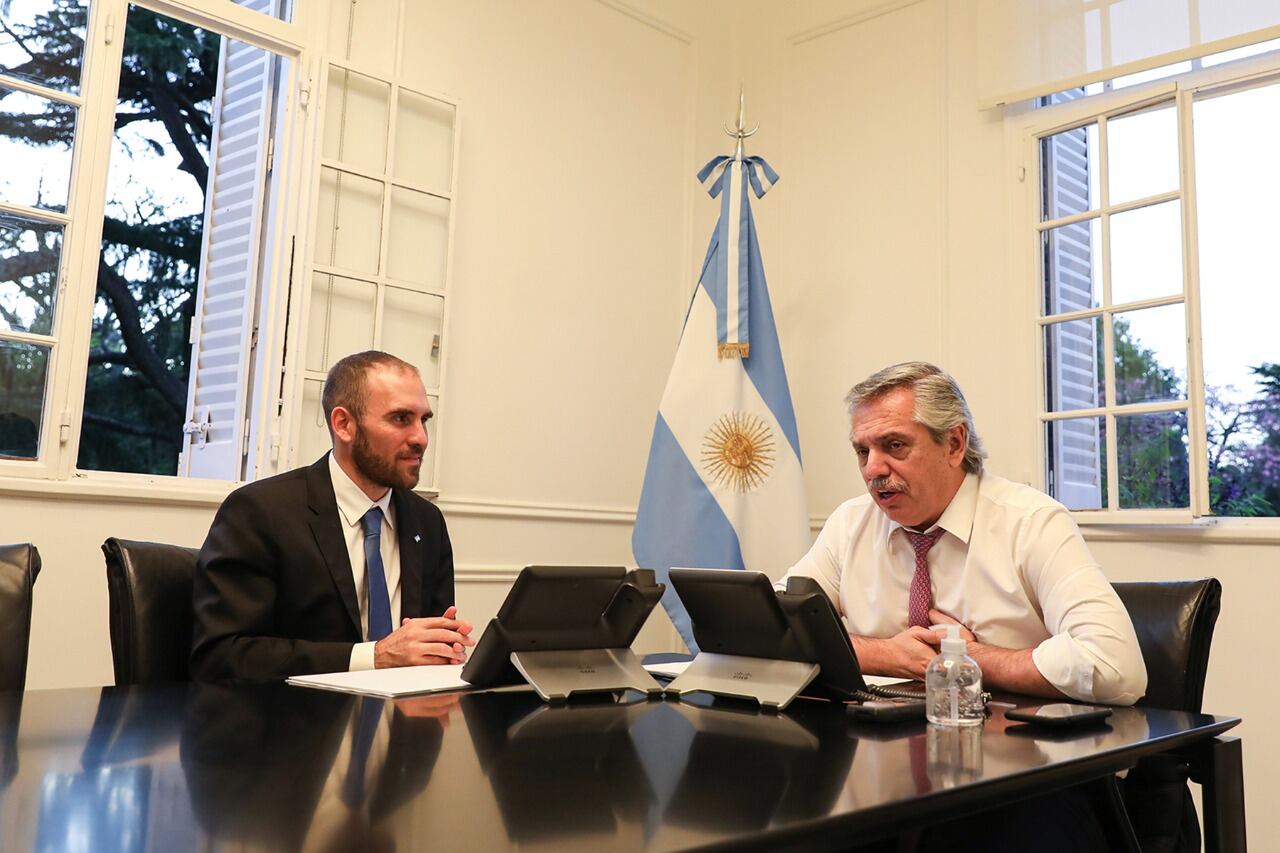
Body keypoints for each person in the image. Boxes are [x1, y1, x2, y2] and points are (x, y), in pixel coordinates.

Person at [780, 361, 1146, 704]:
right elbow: (770, 628)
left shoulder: (1031, 522)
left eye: (894, 445)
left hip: (1013, 749)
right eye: (862, 450)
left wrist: (969, 659)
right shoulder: (851, 522)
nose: (873, 468)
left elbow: (1115, 667)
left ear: (954, 444)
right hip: (881, 742)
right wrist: (886, 655)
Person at [191, 350, 473, 683]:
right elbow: (222, 656)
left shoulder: (426, 521)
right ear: (344, 425)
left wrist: (445, 648)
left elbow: (426, 650)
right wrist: (375, 656)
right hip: (295, 725)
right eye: (400, 419)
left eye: (423, 420)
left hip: (406, 724)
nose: (420, 438)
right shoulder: (260, 512)